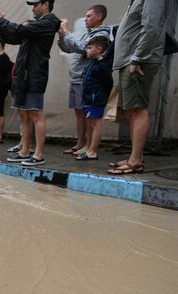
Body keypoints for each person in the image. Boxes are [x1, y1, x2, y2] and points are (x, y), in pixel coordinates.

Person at [0, 0, 61, 166]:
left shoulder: (48, 22)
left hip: (34, 76)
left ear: (46, 4)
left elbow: (19, 30)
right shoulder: (37, 25)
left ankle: (38, 155)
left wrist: (1, 20)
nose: (33, 8)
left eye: (35, 4)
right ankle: (24, 151)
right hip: (23, 77)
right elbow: (12, 36)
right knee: (24, 115)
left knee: (35, 115)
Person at [108, 0, 167, 175]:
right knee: (132, 110)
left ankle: (135, 161)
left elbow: (151, 27)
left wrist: (138, 58)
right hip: (130, 60)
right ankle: (136, 158)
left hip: (137, 61)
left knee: (138, 109)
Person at [58, 5, 111, 155]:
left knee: (88, 114)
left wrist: (67, 32)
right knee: (79, 113)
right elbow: (68, 47)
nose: (85, 19)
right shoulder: (87, 33)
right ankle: (81, 143)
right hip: (76, 78)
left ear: (99, 16)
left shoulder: (101, 33)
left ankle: (88, 146)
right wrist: (62, 35)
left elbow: (82, 46)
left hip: (86, 80)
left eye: (89, 16)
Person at [75, 36, 113, 161]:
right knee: (91, 124)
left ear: (99, 49)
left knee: (95, 124)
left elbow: (108, 83)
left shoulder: (103, 66)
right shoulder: (92, 63)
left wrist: (101, 97)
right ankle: (89, 148)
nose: (87, 50)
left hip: (95, 99)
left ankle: (93, 151)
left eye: (90, 48)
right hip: (88, 99)